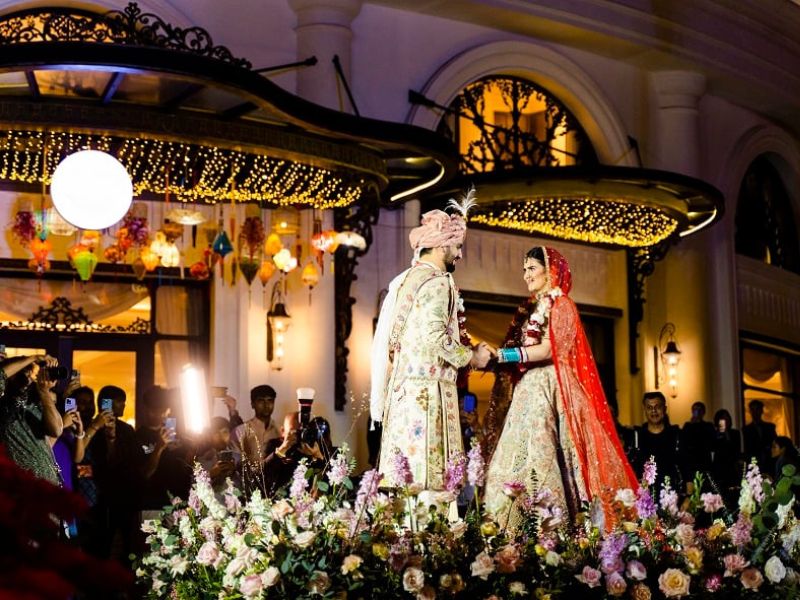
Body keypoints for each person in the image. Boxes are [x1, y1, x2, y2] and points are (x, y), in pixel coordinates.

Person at [483, 246, 637, 530]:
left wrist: (504, 355)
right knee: (519, 453)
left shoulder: (562, 304)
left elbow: (552, 349)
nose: (525, 274)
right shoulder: (536, 307)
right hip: (529, 387)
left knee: (547, 451)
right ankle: (511, 525)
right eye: (524, 268)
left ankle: (555, 526)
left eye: (531, 268)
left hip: (552, 388)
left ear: (550, 271)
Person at [370, 190, 492, 492]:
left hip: (403, 398)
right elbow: (434, 337)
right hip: (427, 401)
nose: (460, 255)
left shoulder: (404, 281)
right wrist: (472, 357)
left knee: (403, 489)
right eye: (457, 247)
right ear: (442, 246)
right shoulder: (438, 282)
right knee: (430, 488)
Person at [0, 355, 63, 485]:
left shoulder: (34, 401)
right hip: (21, 488)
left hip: (48, 488)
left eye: (32, 374)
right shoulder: (3, 402)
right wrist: (32, 358)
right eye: (23, 372)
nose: (28, 378)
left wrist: (44, 391)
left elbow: (56, 430)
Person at [632, 392, 684, 493]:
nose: (654, 411)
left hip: (672, 497)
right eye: (649, 407)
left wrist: (687, 497)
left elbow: (686, 467)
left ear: (664, 408)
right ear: (645, 410)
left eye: (657, 407)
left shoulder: (676, 434)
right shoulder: (637, 437)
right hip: (644, 499)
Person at [232, 385, 280, 472]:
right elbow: (235, 462)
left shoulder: (280, 430)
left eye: (270, 401)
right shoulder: (241, 431)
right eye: (261, 401)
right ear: (252, 404)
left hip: (277, 483)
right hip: (249, 482)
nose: (266, 405)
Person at [709, 409, 742, 504]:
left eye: (727, 419)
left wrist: (727, 436)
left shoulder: (735, 433)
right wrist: (719, 434)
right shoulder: (715, 433)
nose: (725, 421)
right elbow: (712, 448)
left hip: (732, 468)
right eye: (722, 419)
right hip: (719, 468)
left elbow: (736, 450)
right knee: (720, 494)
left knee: (733, 496)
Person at [681, 402, 715, 480]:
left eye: (699, 409)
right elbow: (684, 442)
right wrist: (692, 424)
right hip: (691, 463)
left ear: (703, 412)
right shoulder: (687, 426)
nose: (697, 412)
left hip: (704, 462)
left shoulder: (708, 426)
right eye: (695, 409)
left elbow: (711, 442)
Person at [743, 399, 777, 474]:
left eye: (757, 409)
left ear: (762, 411)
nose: (755, 412)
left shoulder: (770, 427)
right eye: (753, 410)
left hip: (769, 463)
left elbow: (774, 444)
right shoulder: (746, 430)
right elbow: (746, 448)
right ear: (750, 412)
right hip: (754, 464)